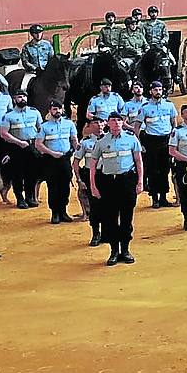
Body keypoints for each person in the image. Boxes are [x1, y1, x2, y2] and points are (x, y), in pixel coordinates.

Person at [88, 111, 144, 267]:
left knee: (127, 218)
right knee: (110, 218)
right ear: (107, 123)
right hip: (108, 183)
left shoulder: (131, 139)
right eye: (113, 120)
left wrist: (140, 182)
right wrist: (93, 186)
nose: (116, 123)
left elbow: (138, 161)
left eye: (119, 120)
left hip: (126, 181)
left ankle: (125, 250)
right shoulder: (101, 142)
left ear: (123, 122)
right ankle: (114, 251)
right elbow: (93, 165)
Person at [0, 89, 42, 211]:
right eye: (19, 97)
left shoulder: (35, 112)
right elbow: (4, 133)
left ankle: (29, 197)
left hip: (31, 146)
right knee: (17, 174)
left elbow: (40, 129)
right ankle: (20, 198)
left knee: (31, 173)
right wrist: (18, 142)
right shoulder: (8, 115)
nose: (22, 99)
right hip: (16, 147)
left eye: (24, 96)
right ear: (14, 99)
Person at [137, 81, 177, 208]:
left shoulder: (169, 105)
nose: (158, 92)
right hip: (151, 141)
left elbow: (174, 123)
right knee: (153, 170)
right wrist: (139, 143)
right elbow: (137, 126)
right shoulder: (145, 107)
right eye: (155, 90)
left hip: (166, 140)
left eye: (160, 89)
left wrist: (173, 140)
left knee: (165, 170)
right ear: (151, 91)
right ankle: (154, 198)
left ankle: (164, 197)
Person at [72, 115, 103, 246]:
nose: (100, 125)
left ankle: (108, 232)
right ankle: (96, 233)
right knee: (94, 206)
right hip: (90, 175)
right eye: (96, 123)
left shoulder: (110, 139)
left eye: (101, 122)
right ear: (90, 126)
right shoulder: (85, 142)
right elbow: (76, 162)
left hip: (107, 175)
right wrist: (79, 179)